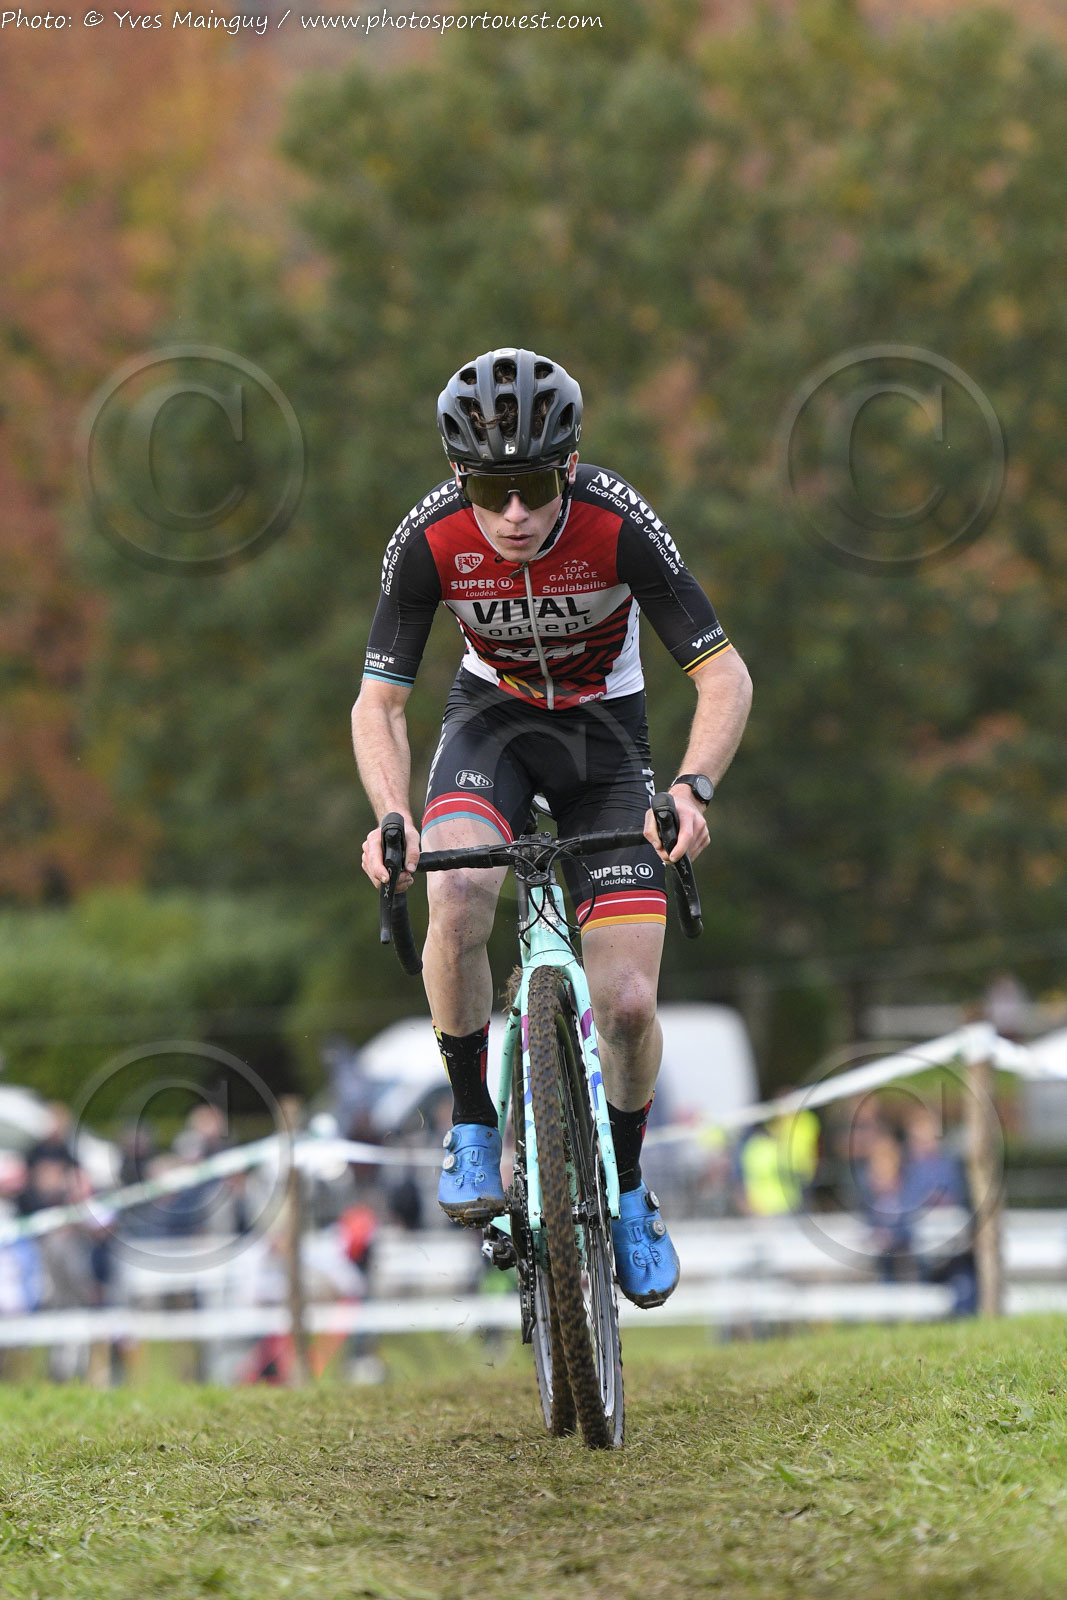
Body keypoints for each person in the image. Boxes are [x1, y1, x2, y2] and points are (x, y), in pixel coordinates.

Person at [353, 348, 751, 1308]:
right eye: (488, 490)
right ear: (458, 478)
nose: (513, 514)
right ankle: (471, 1119)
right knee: (455, 889)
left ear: (568, 467)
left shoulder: (618, 524)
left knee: (627, 1005)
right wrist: (393, 816)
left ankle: (628, 1188)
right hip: (489, 726)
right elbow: (379, 705)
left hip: (605, 744)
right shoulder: (429, 539)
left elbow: (724, 676)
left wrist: (691, 789)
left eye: (533, 486)